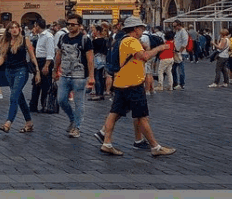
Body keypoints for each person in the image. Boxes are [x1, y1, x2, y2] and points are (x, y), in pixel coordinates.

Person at [96, 16, 175, 157]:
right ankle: (155, 147)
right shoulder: (132, 41)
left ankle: (107, 143)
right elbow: (144, 56)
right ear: (135, 29)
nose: (142, 30)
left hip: (120, 82)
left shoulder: (122, 40)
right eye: (141, 28)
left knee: (114, 113)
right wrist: (160, 48)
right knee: (142, 116)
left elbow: (137, 57)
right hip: (133, 83)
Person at [0, 21, 40, 133]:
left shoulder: (24, 40)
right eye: (12, 28)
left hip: (21, 70)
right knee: (19, 97)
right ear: (8, 30)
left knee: (13, 97)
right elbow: (2, 58)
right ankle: (29, 122)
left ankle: (8, 123)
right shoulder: (6, 41)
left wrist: (37, 71)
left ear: (20, 29)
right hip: (9, 71)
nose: (14, 29)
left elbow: (32, 56)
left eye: (16, 27)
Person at [54, 13, 94, 138]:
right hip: (65, 74)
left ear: (79, 25)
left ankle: (77, 127)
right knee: (61, 100)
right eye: (68, 24)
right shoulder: (63, 38)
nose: (70, 27)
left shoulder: (85, 39)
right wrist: (55, 70)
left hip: (79, 75)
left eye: (73, 24)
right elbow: (59, 55)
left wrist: (91, 76)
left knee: (78, 102)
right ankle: (72, 119)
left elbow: (90, 59)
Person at [29, 20, 54, 112]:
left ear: (38, 26)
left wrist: (46, 65)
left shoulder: (48, 36)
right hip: (38, 61)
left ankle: (45, 105)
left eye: (35, 26)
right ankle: (33, 105)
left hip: (44, 61)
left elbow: (50, 52)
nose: (34, 28)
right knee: (36, 83)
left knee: (45, 85)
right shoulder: (39, 36)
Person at [171, 20, 189, 90]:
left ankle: (182, 84)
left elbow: (185, 43)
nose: (174, 28)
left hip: (181, 53)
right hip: (176, 52)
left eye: (175, 26)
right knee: (173, 69)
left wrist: (179, 51)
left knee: (181, 69)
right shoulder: (177, 32)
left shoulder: (183, 32)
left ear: (179, 25)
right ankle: (175, 83)